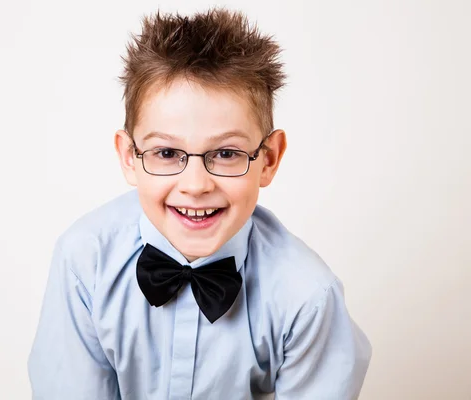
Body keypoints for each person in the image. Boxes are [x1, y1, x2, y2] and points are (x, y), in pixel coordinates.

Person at [28, 7, 371, 400]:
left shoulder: (307, 296)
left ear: (269, 159)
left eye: (226, 153)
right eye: (167, 152)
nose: (194, 186)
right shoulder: (85, 261)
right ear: (128, 157)